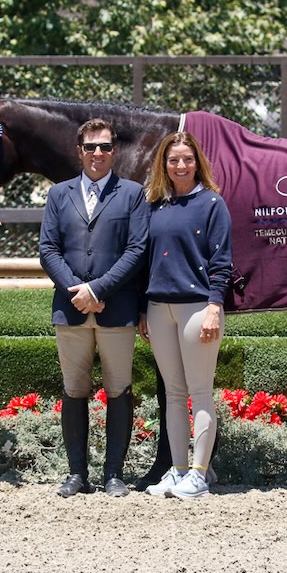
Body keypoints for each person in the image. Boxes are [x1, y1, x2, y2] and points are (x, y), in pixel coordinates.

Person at [39, 118, 149, 498]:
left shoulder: (133, 194)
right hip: (71, 309)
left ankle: (114, 474)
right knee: (74, 390)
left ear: (114, 151)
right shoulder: (59, 194)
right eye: (91, 147)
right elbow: (47, 249)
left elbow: (137, 250)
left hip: (116, 308)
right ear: (79, 151)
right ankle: (76, 474)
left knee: (119, 390)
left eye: (104, 147)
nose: (97, 154)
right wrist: (77, 290)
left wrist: (99, 288)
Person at [138, 131, 232, 499]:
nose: (181, 165)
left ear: (198, 163)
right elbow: (147, 262)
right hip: (159, 309)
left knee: (200, 391)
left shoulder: (212, 204)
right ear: (164, 164)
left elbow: (221, 262)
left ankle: (199, 474)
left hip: (198, 308)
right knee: (174, 395)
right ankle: (178, 471)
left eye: (187, 159)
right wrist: (144, 309)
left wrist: (214, 306)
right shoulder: (153, 206)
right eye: (174, 159)